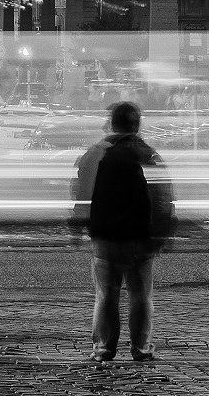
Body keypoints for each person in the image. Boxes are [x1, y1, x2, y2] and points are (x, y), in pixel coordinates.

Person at [69, 101, 176, 363]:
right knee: (141, 296)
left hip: (105, 236)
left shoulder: (95, 154)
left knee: (106, 295)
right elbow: (162, 196)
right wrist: (163, 231)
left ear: (111, 123)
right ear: (137, 125)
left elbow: (82, 194)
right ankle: (141, 348)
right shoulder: (148, 154)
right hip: (140, 236)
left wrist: (77, 225)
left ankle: (104, 349)